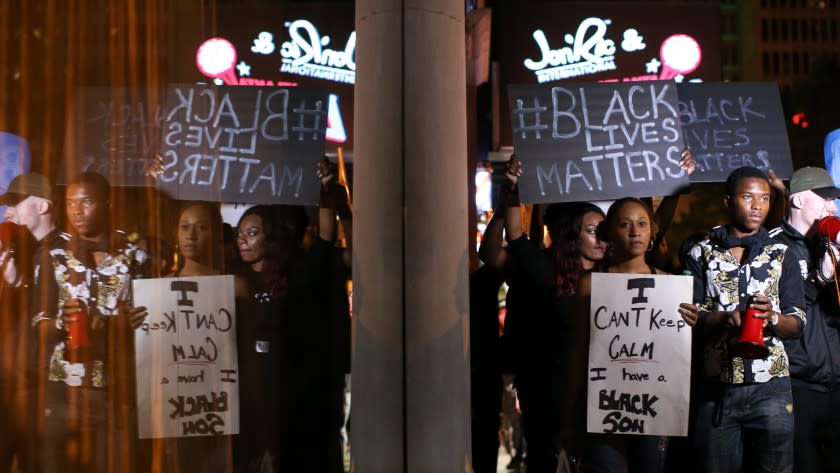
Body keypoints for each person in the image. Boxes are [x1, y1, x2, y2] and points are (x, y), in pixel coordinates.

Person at [685, 166, 805, 473]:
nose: (757, 206)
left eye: (764, 198)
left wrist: (772, 318)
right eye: (747, 196)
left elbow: (798, 321)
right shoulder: (702, 253)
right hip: (717, 385)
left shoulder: (782, 254)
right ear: (728, 201)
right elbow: (689, 314)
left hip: (773, 387)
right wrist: (723, 319)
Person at [231, 158, 348, 473]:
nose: (243, 239)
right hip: (248, 403)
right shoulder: (231, 282)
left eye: (252, 233)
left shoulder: (293, 275)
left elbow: (325, 239)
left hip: (291, 401)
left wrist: (325, 192)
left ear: (269, 238)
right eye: (240, 233)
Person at [494, 155, 608, 473]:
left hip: (596, 392)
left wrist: (673, 184)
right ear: (574, 235)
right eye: (591, 231)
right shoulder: (547, 270)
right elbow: (515, 237)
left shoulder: (615, 275)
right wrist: (513, 190)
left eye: (604, 231)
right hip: (548, 392)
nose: (601, 239)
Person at [31, 171, 149, 473]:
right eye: (71, 204)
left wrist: (126, 323)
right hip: (62, 392)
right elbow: (40, 325)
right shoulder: (53, 256)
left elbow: (151, 318)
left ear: (107, 204)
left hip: (116, 391)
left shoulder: (134, 257)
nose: (77, 211)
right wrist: (62, 324)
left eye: (87, 202)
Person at [573, 197, 698, 473]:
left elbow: (677, 354)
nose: (635, 231)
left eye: (642, 224)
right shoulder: (590, 283)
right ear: (610, 233)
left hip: (655, 412)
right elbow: (579, 351)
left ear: (652, 231)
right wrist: (568, 414)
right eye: (625, 224)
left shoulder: (671, 285)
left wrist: (692, 323)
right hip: (604, 409)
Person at [769, 166, 840, 473]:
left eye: (835, 199)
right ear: (797, 200)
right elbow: (777, 311)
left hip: (836, 386)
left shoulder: (828, 242)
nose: (833, 206)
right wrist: (818, 280)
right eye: (824, 198)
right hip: (796, 386)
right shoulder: (772, 246)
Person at [0, 172, 57, 473]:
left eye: (16, 202)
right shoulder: (18, 247)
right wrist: (15, 281)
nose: (9, 212)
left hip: (45, 387)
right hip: (13, 383)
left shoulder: (66, 251)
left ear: (43, 206)